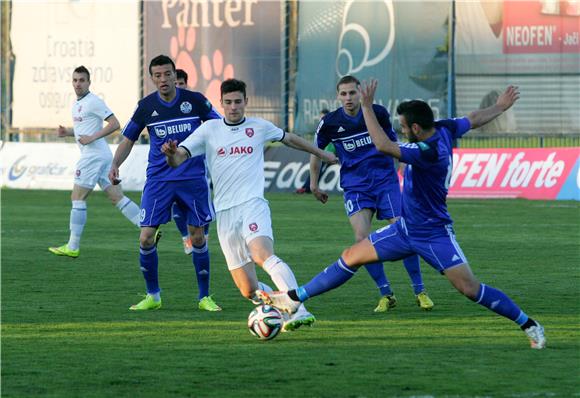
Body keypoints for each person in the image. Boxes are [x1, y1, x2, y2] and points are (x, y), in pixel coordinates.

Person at [258, 81, 546, 349]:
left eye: (405, 127)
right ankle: (294, 298)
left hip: (434, 233)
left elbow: (383, 145)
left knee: (469, 289)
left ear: (417, 129)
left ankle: (529, 324)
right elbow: (473, 118)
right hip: (405, 229)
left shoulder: (427, 152)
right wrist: (500, 107)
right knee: (351, 254)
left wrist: (367, 108)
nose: (402, 130)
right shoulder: (444, 128)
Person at [161, 78, 338, 331]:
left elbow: (290, 139)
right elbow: (178, 160)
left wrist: (321, 153)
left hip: (252, 204)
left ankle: (300, 310)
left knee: (262, 254)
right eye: (228, 102)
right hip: (224, 214)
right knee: (248, 290)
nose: (233, 107)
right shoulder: (209, 129)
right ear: (221, 103)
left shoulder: (259, 126)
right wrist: (170, 154)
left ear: (246, 102)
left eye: (238, 102)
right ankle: (282, 306)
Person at [309, 75, 433, 313]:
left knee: (405, 231)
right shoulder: (330, 123)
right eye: (343, 94)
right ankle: (386, 294)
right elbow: (315, 152)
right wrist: (313, 183)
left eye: (352, 93)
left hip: (384, 181)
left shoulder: (378, 112)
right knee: (361, 239)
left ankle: (420, 290)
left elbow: (392, 140)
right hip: (355, 187)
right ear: (338, 96)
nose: (348, 98)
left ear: (359, 93)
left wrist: (402, 163)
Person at [109, 55, 221, 312]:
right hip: (159, 180)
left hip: (192, 179)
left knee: (197, 237)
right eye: (157, 75)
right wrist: (115, 164)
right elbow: (128, 139)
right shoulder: (146, 106)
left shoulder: (195, 101)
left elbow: (218, 128)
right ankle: (153, 296)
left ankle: (204, 297)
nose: (163, 79)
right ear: (152, 78)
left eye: (167, 74)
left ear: (175, 75)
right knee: (146, 237)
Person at [48, 66, 141, 258]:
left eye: (82, 80)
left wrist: (91, 138)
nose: (78, 84)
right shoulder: (77, 104)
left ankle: (73, 246)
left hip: (93, 156)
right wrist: (68, 132)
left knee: (77, 198)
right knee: (117, 198)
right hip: (102, 156)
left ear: (89, 82)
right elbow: (85, 127)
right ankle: (149, 227)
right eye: (75, 80)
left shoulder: (93, 101)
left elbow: (115, 124)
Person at [170, 68, 211, 255]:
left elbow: (213, 122)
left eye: (181, 83)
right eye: (175, 83)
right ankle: (186, 238)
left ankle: (204, 237)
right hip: (173, 162)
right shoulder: (165, 106)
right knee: (175, 203)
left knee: (202, 204)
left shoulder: (194, 102)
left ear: (186, 84)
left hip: (195, 162)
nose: (178, 86)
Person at [295, 109, 332, 194]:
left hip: (328, 155)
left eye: (323, 117)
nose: (321, 119)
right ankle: (305, 188)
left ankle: (307, 188)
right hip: (321, 154)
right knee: (314, 169)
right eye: (321, 117)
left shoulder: (332, 127)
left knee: (319, 170)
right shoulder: (321, 129)